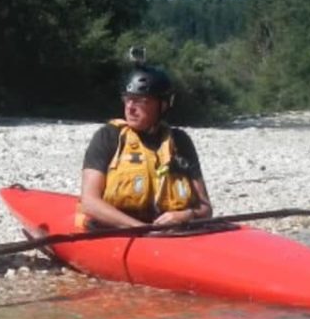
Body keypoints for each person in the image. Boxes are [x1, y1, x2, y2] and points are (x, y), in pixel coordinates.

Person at [77, 61, 213, 229]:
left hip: (171, 232)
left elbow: (205, 209)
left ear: (162, 105)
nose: (130, 108)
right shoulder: (108, 137)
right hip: (118, 229)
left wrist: (186, 215)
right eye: (127, 99)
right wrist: (141, 228)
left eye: (140, 101)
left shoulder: (180, 142)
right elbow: (89, 202)